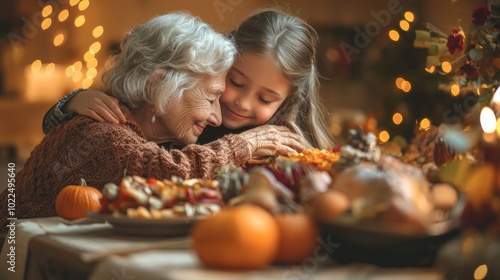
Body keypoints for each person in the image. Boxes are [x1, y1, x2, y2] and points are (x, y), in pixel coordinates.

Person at [0, 12, 303, 246]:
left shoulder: (154, 134)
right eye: (212, 97)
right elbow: (170, 170)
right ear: (159, 84)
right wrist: (246, 144)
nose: (217, 115)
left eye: (265, 97)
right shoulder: (104, 133)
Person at [42, 8, 335, 149]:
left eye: (265, 98)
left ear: (288, 101)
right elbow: (56, 131)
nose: (242, 103)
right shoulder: (176, 107)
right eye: (236, 82)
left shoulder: (280, 143)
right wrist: (72, 102)